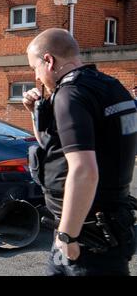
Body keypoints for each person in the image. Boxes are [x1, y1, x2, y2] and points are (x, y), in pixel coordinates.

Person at [23, 28, 137, 276]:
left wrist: (67, 235)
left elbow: (84, 170)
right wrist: (36, 112)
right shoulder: (110, 86)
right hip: (103, 227)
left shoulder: (70, 95)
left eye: (35, 68)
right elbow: (54, 146)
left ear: (49, 61)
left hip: (85, 238)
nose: (37, 77)